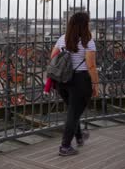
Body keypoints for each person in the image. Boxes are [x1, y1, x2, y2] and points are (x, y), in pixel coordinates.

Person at [50, 12, 99, 156]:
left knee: (73, 111)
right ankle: (65, 146)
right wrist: (95, 84)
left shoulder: (62, 39)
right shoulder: (87, 41)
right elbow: (91, 65)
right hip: (80, 81)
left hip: (62, 81)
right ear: (85, 24)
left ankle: (79, 137)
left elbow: (53, 57)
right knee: (73, 114)